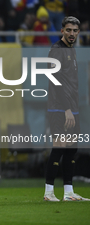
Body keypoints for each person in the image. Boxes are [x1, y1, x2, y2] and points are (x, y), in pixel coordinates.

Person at [44, 16, 90, 202]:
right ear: (62, 30)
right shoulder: (56, 51)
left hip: (72, 107)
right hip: (59, 108)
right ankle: (48, 192)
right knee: (60, 146)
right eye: (68, 30)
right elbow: (55, 82)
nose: (72, 34)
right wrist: (66, 109)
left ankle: (69, 192)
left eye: (75, 31)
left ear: (78, 32)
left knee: (71, 149)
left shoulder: (72, 50)